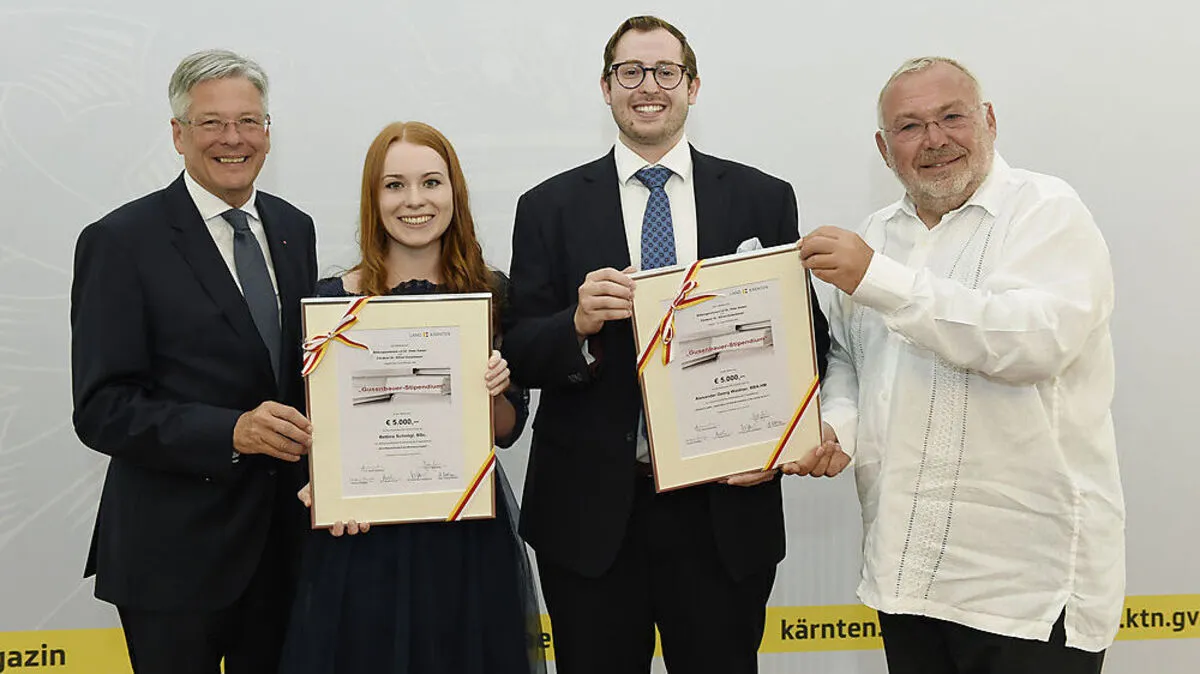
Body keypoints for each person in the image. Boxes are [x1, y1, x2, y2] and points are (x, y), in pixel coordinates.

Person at [503, 15, 830, 674]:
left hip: (723, 515)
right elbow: (518, 351)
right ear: (606, 86)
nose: (647, 86)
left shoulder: (763, 198)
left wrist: (780, 437)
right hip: (591, 521)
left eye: (665, 72)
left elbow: (805, 341)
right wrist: (575, 324)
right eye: (630, 72)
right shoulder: (548, 206)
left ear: (692, 86)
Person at [791, 56, 1124, 673]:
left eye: (952, 117)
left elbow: (1033, 341)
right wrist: (836, 424)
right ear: (884, 148)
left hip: (1024, 588)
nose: (935, 140)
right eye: (910, 126)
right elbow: (849, 359)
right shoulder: (876, 234)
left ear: (989, 121)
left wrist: (881, 281)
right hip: (906, 571)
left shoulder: (1046, 211)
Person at [70, 50, 317, 673]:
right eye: (211, 123)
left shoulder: (294, 229)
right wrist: (231, 431)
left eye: (249, 121)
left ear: (267, 131)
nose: (232, 139)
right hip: (171, 557)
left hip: (283, 551)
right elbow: (102, 408)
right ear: (178, 133)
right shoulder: (121, 241)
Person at [278, 121, 545, 674]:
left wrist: (493, 388)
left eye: (431, 182)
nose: (415, 200)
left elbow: (505, 427)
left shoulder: (493, 293)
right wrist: (323, 483)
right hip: (362, 537)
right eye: (394, 185)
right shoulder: (329, 301)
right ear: (373, 200)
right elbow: (313, 420)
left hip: (465, 531)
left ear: (455, 192)